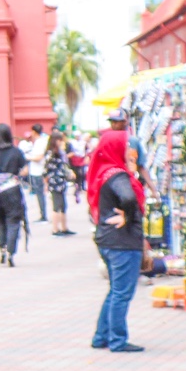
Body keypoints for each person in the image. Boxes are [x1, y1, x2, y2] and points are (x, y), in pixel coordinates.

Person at [87, 129, 145, 352]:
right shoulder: (117, 175)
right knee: (122, 293)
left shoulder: (104, 171)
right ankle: (117, 339)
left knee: (115, 291)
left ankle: (102, 335)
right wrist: (129, 217)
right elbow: (128, 197)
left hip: (108, 241)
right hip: (122, 242)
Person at [0, 123, 28, 266]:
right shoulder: (16, 152)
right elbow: (25, 170)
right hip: (12, 190)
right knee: (13, 221)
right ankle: (11, 252)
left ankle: (2, 249)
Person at [43, 132, 77, 237]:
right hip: (54, 181)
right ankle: (55, 229)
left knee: (63, 205)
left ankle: (64, 227)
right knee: (56, 205)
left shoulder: (60, 152)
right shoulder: (51, 153)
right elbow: (46, 170)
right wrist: (46, 183)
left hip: (61, 181)